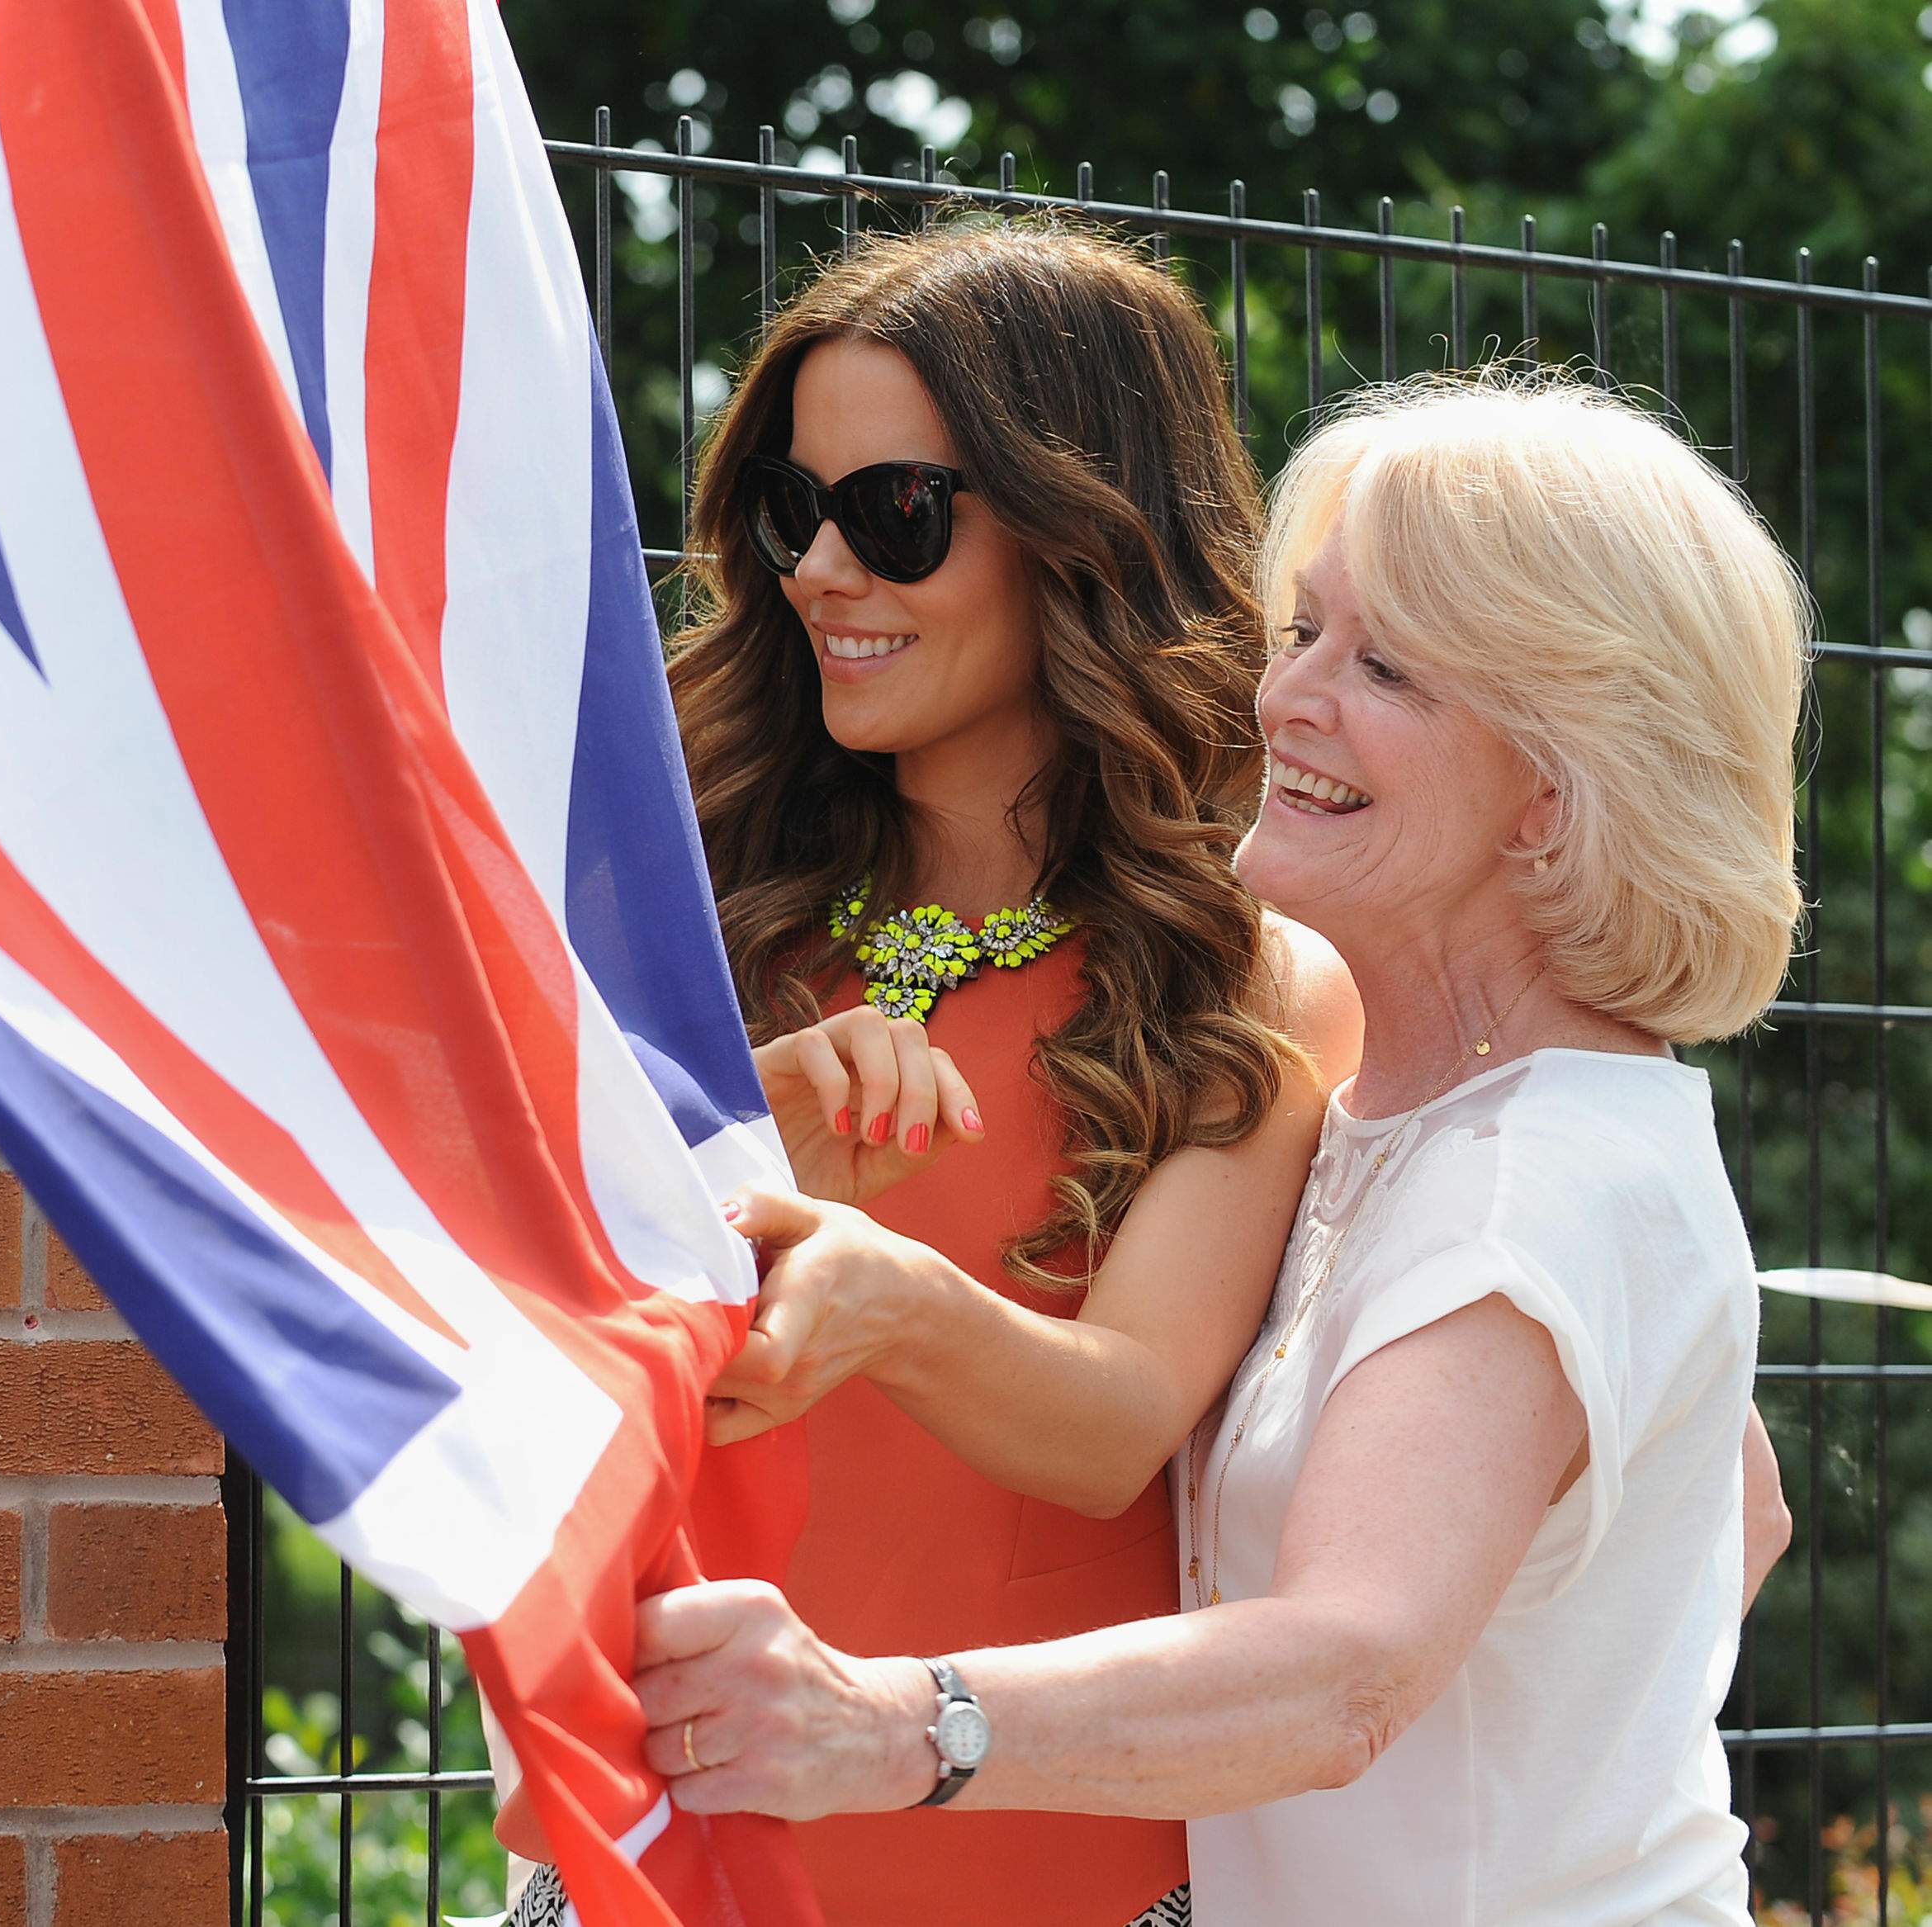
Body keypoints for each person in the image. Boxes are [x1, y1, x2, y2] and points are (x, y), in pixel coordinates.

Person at [624, 372, 1807, 1926]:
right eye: (1305, 629)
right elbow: (1740, 1502)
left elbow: (1345, 1671)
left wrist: (887, 1723)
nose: (1286, 697)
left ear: (1552, 793)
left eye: (1386, 665)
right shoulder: (1427, 1114)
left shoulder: (1532, 1179)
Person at [503, 220, 1361, 1927]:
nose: (822, 570)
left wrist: (883, 1294)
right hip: (649, 1866)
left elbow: (1113, 1425)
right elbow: (519, 1340)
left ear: (1082, 531)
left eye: (892, 515)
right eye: (787, 512)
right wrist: (744, 1151)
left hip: (1043, 1880)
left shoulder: (1241, 972)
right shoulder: (680, 918)